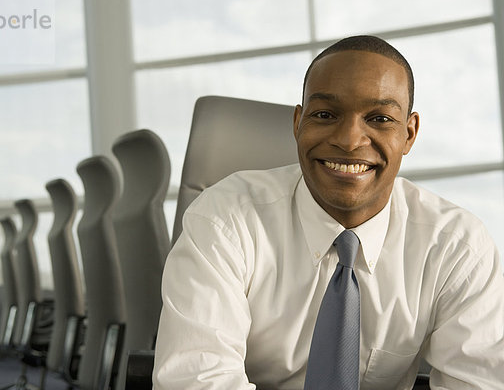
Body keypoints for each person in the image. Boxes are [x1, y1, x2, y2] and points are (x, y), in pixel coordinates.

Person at [153, 36, 504, 389]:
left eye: (380, 118)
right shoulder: (225, 220)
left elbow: (477, 381)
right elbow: (195, 381)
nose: (350, 140)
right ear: (297, 123)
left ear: (409, 134)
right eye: (324, 114)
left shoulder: (457, 248)